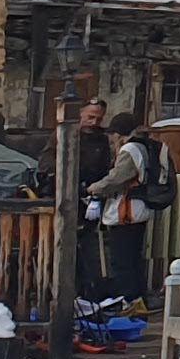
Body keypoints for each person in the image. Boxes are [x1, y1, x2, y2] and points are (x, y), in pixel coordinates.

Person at [95, 116, 155, 307]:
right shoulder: (142, 147)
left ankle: (128, 301)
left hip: (126, 213)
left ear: (118, 135)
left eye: (113, 135)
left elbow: (116, 178)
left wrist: (94, 188)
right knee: (133, 260)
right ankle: (138, 300)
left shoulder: (129, 150)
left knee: (123, 261)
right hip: (137, 211)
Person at [65, 97, 113, 301]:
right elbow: (49, 162)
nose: (94, 122)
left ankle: (90, 291)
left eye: (99, 119)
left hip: (91, 198)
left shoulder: (102, 140)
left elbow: (106, 168)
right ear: (81, 114)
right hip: (67, 196)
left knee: (89, 246)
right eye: (90, 117)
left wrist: (96, 193)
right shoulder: (66, 134)